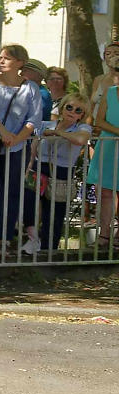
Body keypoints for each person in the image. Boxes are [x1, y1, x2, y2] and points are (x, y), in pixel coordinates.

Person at [0, 43, 43, 252]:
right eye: (0, 57)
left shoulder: (31, 88)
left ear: (20, 62)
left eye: (7, 57)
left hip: (18, 148)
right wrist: (3, 132)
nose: (2, 60)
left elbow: (34, 118)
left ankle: (6, 238)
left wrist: (17, 138)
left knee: (13, 192)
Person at [27, 95, 93, 255]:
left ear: (82, 116)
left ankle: (49, 251)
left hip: (62, 171)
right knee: (30, 207)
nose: (72, 112)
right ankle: (30, 243)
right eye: (69, 107)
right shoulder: (44, 124)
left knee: (54, 214)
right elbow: (34, 146)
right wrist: (29, 165)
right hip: (39, 168)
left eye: (78, 110)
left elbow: (80, 140)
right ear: (62, 107)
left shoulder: (82, 128)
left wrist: (57, 133)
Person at [90, 42, 119, 246]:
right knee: (104, 189)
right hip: (106, 142)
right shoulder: (103, 84)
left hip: (110, 136)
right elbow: (95, 113)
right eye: (109, 53)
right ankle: (104, 233)